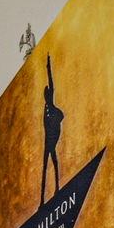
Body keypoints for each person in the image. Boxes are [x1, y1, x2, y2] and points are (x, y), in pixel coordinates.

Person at [41, 55, 65, 200]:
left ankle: (57, 188)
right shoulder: (46, 108)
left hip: (52, 138)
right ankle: (42, 200)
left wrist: (48, 67)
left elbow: (51, 82)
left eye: (48, 94)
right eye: (46, 95)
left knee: (54, 162)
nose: (47, 96)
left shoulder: (52, 107)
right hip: (47, 139)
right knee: (45, 166)